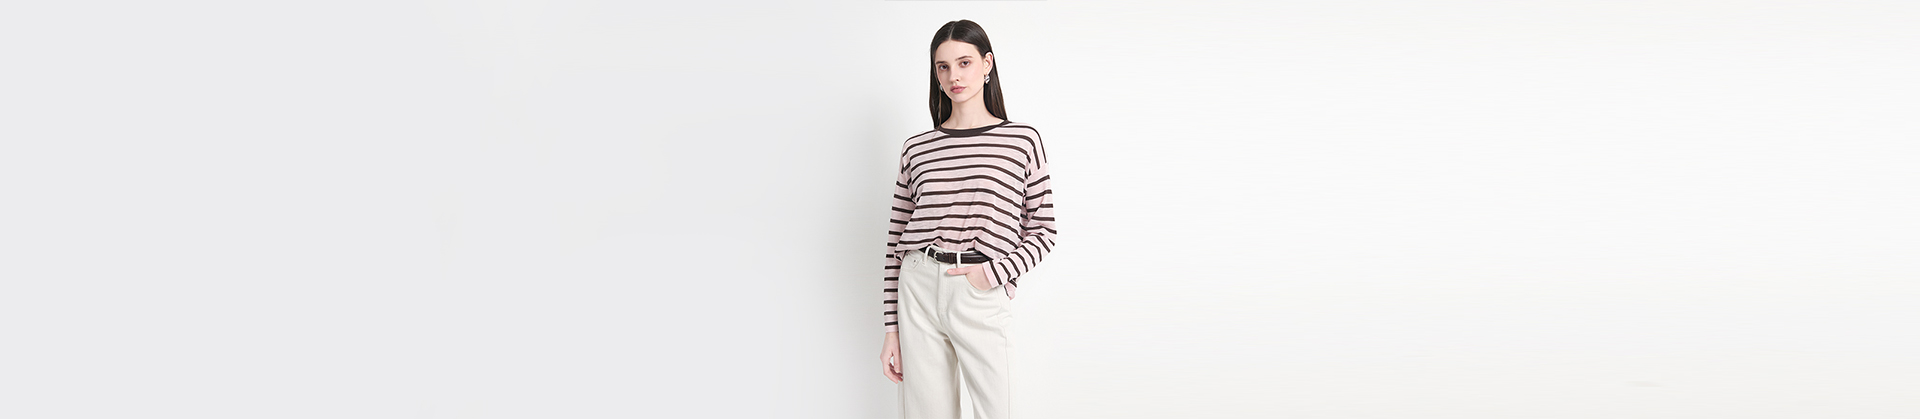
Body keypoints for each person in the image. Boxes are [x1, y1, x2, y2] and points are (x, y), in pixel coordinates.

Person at [878, 19, 1058, 419]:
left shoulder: (1021, 140)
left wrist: (993, 274)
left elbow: (1044, 230)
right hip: (918, 287)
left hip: (980, 288)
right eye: (943, 67)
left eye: (964, 63)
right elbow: (895, 242)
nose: (953, 76)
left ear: (987, 63)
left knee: (1000, 410)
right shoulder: (917, 148)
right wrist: (891, 329)